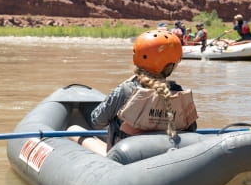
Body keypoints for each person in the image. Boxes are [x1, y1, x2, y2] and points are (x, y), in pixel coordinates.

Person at [69, 30, 197, 155]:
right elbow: (191, 130)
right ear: (173, 65)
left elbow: (96, 122)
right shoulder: (179, 93)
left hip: (124, 158)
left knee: (73, 129)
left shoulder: (126, 90)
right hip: (162, 157)